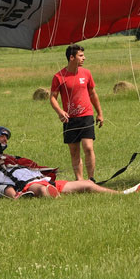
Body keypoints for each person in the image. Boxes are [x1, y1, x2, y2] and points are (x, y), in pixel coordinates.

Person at [0, 133, 140, 200]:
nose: (4, 159)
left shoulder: (21, 165)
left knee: (87, 184)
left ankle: (122, 194)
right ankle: (48, 197)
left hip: (45, 181)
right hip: (31, 187)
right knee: (42, 190)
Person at [50, 44, 104, 180]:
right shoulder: (59, 76)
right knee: (74, 152)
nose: (84, 58)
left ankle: (91, 179)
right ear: (71, 57)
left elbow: (93, 94)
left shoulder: (86, 73)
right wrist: (60, 111)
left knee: (88, 148)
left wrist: (100, 113)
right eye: (81, 56)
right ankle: (79, 180)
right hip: (70, 119)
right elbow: (52, 98)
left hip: (86, 116)